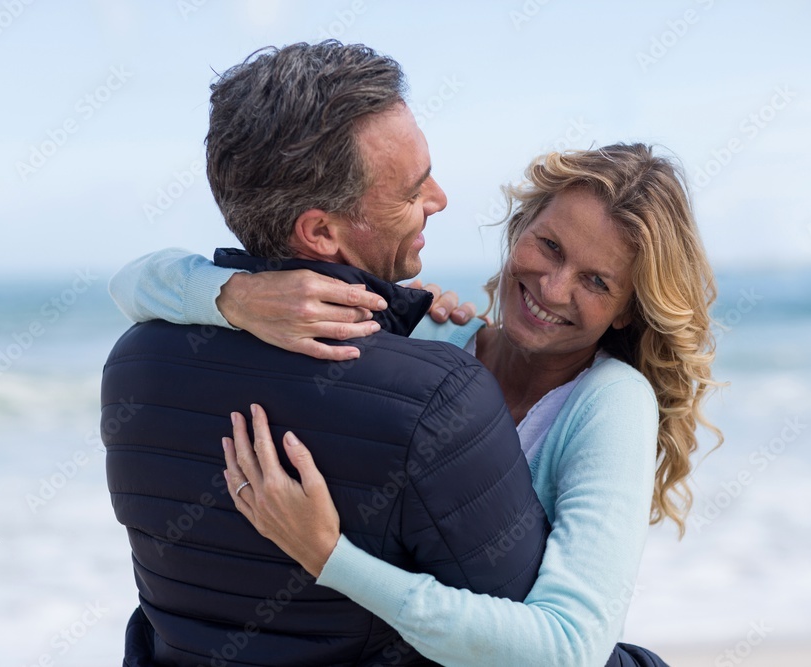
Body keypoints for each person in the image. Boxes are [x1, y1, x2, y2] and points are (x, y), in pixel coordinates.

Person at [112, 144, 721, 666]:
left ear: (627, 309)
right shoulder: (428, 336)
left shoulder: (610, 402)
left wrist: (331, 558)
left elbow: (567, 650)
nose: (554, 288)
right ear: (519, 231)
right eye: (550, 247)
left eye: (597, 282)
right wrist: (238, 295)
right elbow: (136, 283)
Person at [103, 41, 552, 667]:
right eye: (412, 189)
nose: (440, 198)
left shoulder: (131, 365)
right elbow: (529, 642)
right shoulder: (438, 396)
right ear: (320, 232)